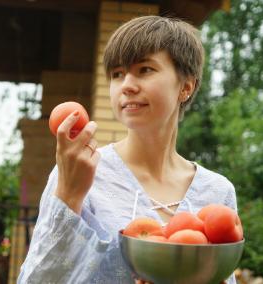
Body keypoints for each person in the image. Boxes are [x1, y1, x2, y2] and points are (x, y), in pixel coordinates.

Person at [18, 15, 238, 284]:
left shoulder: (217, 192)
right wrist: (68, 195)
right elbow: (36, 280)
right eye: (117, 74)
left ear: (186, 87)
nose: (127, 86)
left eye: (145, 69)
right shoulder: (82, 171)